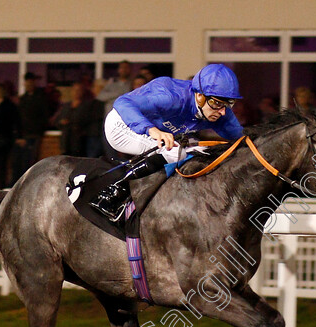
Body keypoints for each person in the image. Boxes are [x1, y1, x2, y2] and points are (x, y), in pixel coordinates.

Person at [91, 64, 244, 221]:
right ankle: (111, 194)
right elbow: (122, 103)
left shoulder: (219, 112)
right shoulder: (171, 96)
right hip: (121, 125)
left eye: (228, 104)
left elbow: (243, 140)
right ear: (199, 96)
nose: (223, 111)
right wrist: (151, 129)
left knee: (198, 151)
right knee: (175, 152)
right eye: (217, 104)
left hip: (149, 131)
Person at [13, 72, 49, 187]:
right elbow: (18, 118)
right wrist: (19, 135)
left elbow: (44, 116)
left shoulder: (40, 98)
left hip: (34, 134)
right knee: (20, 162)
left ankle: (29, 184)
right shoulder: (23, 99)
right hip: (24, 135)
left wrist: (39, 129)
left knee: (31, 161)